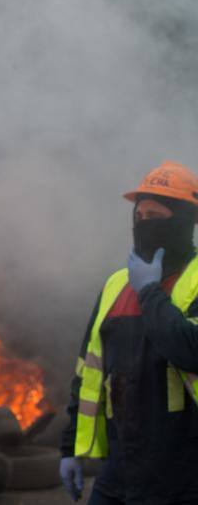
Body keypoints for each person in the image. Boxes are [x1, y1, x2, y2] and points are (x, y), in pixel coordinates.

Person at [59, 161, 198, 504]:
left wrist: (150, 292)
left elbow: (191, 350)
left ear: (184, 220)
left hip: (185, 473)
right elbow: (87, 373)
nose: (145, 225)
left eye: (157, 216)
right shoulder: (116, 285)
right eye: (140, 216)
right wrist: (70, 447)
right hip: (120, 469)